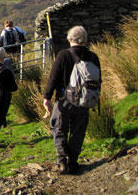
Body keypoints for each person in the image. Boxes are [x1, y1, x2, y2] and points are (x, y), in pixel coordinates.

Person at [43, 26, 101, 175]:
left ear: (70, 39)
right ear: (85, 39)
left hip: (64, 100)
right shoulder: (93, 57)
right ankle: (73, 162)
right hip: (84, 101)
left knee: (59, 128)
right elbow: (99, 80)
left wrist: (47, 97)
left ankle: (62, 160)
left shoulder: (64, 55)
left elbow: (53, 78)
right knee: (78, 131)